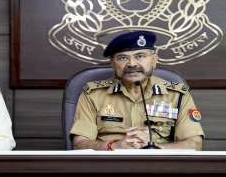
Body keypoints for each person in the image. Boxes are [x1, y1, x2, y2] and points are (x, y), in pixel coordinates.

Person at [70, 31, 204, 151]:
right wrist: (113, 146)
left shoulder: (177, 95)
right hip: (109, 166)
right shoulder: (93, 94)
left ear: (154, 60)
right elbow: (79, 143)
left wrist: (155, 148)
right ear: (113, 63)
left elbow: (194, 144)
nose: (132, 64)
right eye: (123, 58)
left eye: (140, 56)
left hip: (159, 167)